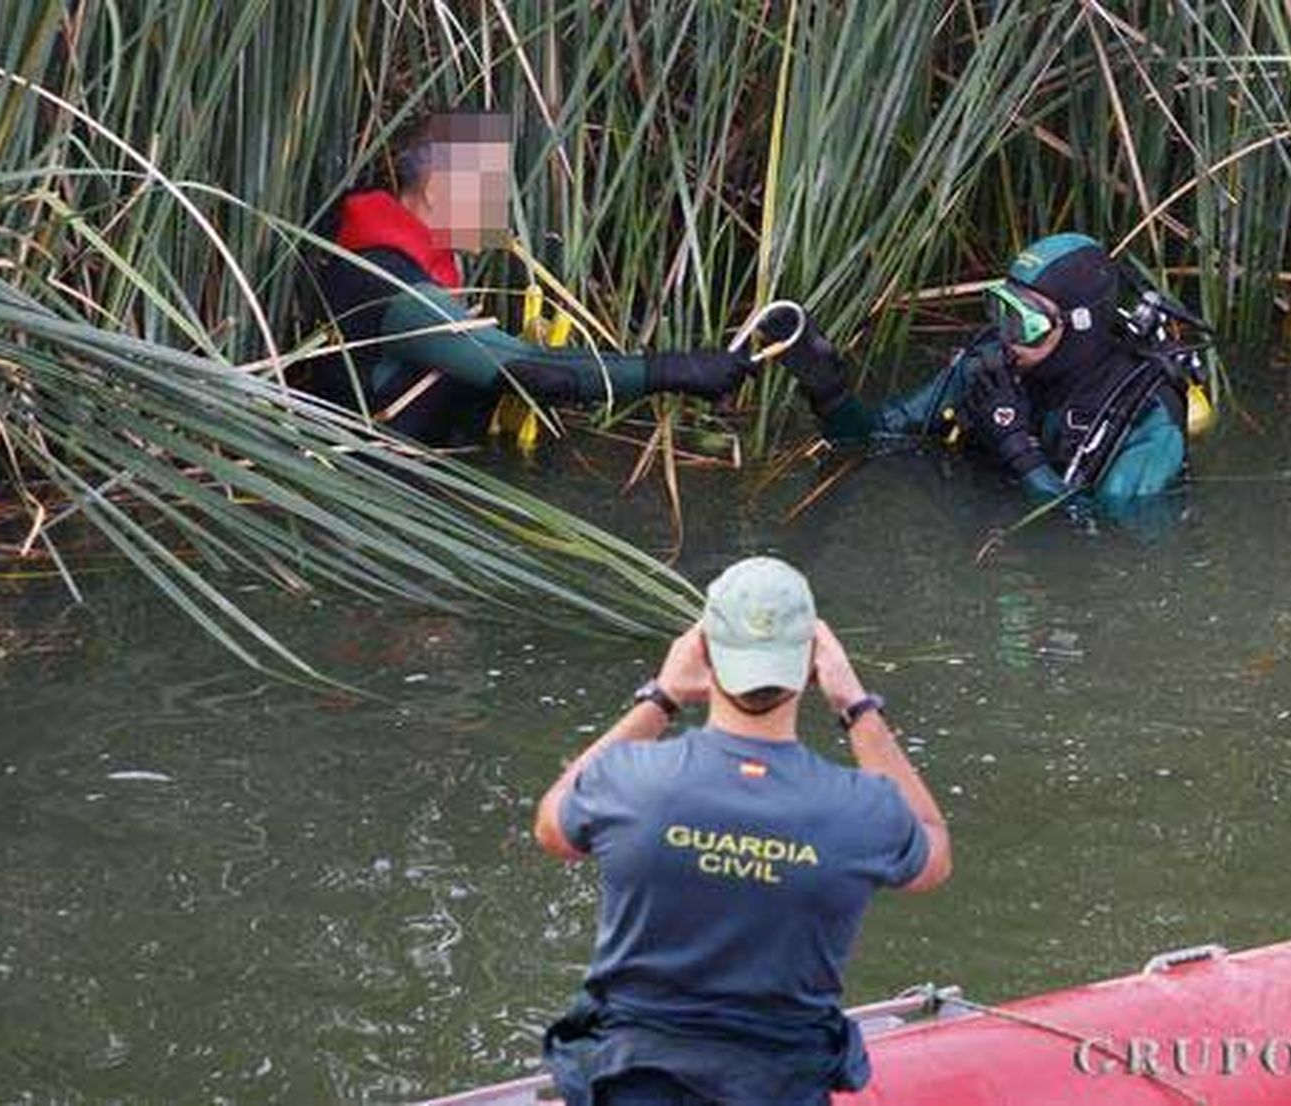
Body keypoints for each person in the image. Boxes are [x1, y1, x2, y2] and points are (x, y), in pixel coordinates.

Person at [534, 556, 952, 1106]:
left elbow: (553, 824)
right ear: (813, 663)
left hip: (629, 1086)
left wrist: (662, 697)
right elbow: (932, 850)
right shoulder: (863, 808)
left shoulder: (627, 779)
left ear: (703, 653)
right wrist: (856, 705)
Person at [299, 111, 750, 447]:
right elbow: (533, 371)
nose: (501, 210)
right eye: (489, 191)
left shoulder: (373, 249)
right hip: (378, 490)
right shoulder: (398, 289)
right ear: (436, 191)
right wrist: (677, 371)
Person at [774, 233, 1209, 510]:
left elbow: (1107, 537)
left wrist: (1015, 445)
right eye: (1002, 311)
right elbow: (871, 439)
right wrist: (827, 391)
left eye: (1026, 322)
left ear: (1080, 326)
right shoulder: (988, 370)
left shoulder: (1148, 418)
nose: (1007, 337)